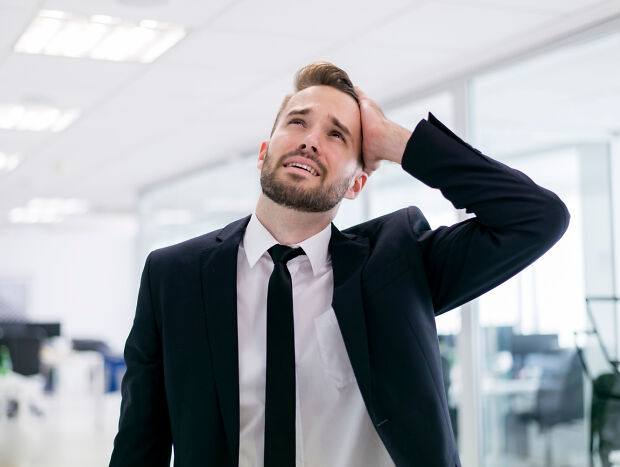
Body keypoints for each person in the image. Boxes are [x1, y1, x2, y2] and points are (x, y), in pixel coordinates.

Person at [109, 62, 569, 467]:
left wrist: (396, 141)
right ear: (264, 151)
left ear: (356, 184)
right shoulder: (174, 275)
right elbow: (140, 443)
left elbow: (536, 217)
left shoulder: (399, 264)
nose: (311, 141)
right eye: (297, 122)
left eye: (336, 134)